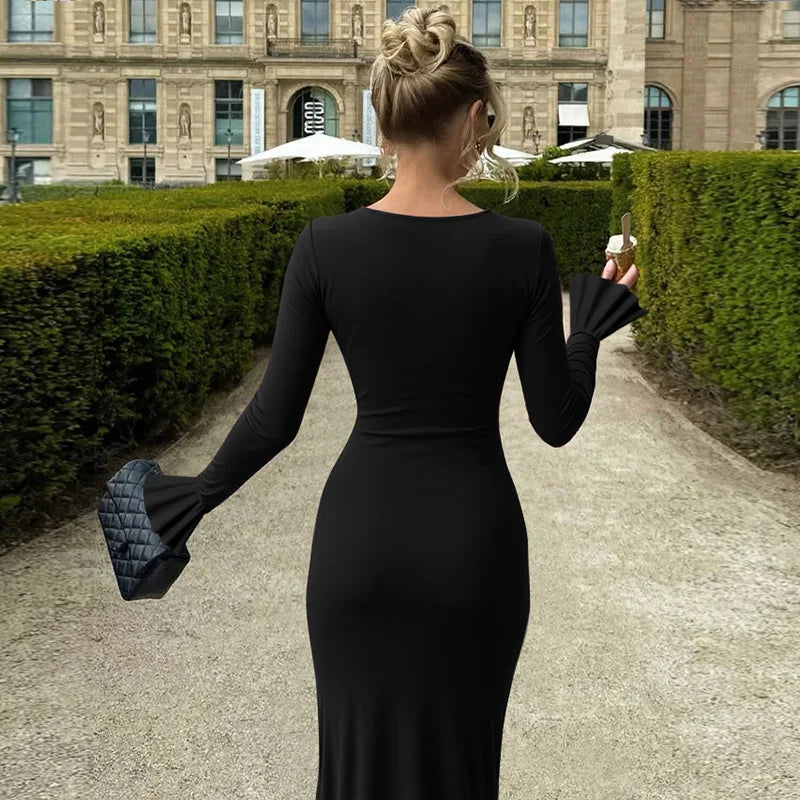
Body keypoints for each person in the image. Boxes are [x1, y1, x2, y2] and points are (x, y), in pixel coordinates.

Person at [141, 6, 646, 798]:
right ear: (478, 118)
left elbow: (275, 418)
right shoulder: (521, 248)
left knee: (354, 766)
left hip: (358, 545)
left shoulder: (323, 247)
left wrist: (194, 498)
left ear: (381, 116)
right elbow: (556, 422)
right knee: (460, 767)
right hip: (472, 549)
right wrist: (590, 330)